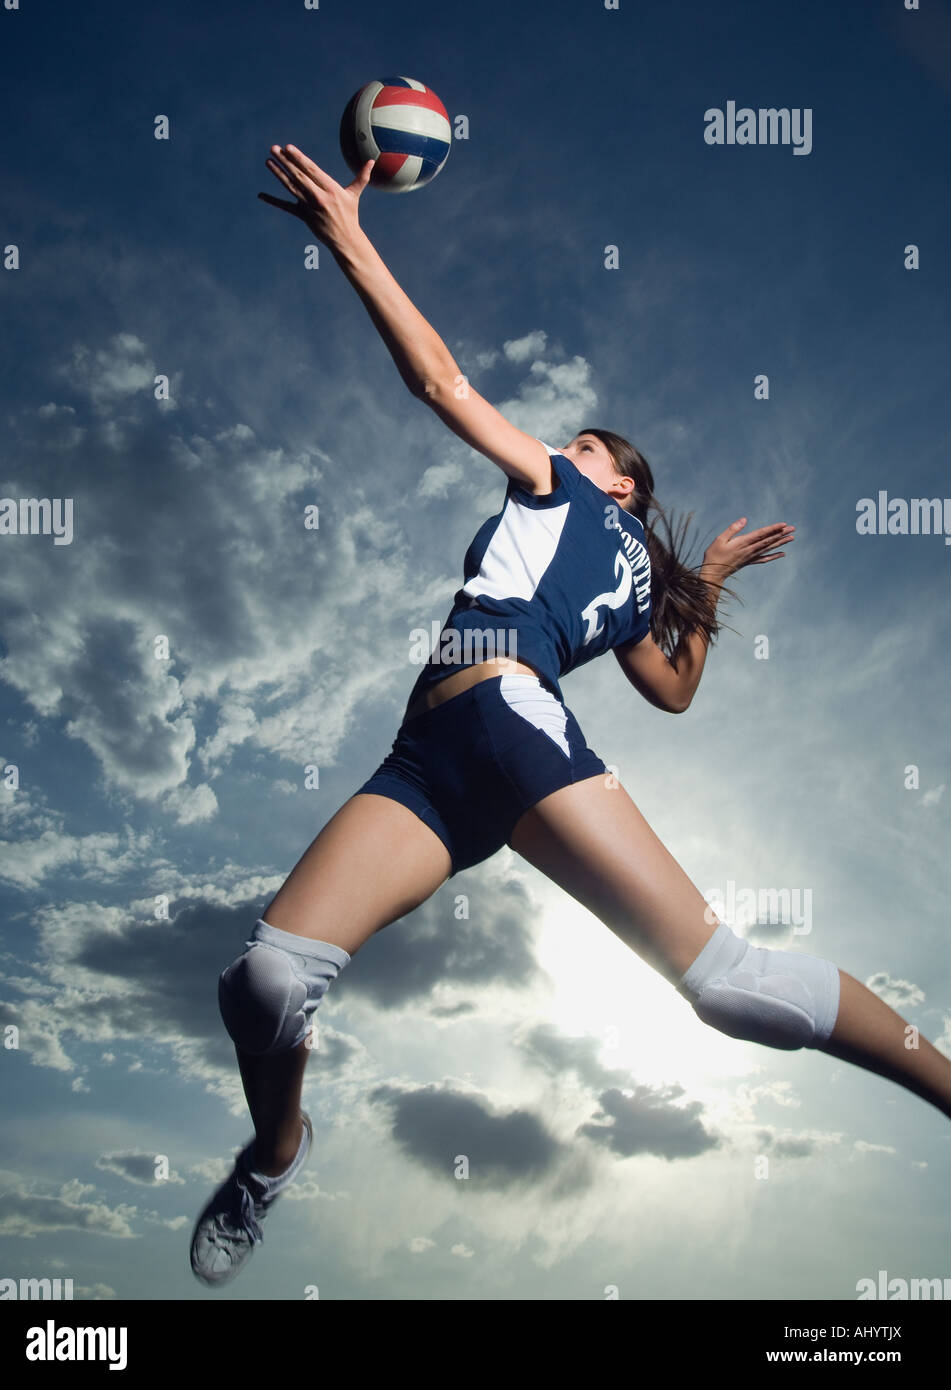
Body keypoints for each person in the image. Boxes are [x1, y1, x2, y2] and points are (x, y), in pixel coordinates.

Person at [190, 147, 951, 1287]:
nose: (567, 442)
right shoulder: (635, 576)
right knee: (265, 984)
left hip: (513, 718)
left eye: (591, 443)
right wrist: (705, 576)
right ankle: (278, 1148)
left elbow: (444, 385)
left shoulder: (568, 494)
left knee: (727, 984)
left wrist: (350, 234)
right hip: (430, 763)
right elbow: (676, 687)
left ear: (619, 485)